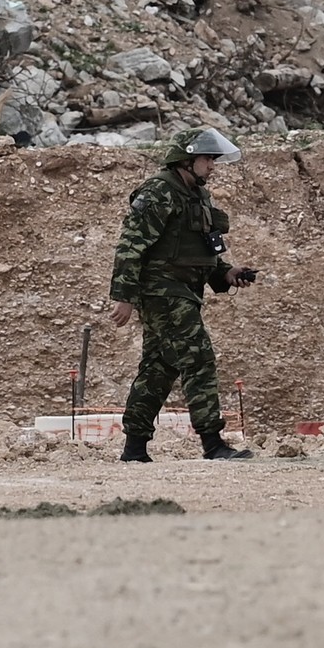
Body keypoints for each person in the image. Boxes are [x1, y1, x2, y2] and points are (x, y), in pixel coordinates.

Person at [109, 126, 258, 462]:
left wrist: (227, 273)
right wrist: (124, 296)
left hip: (184, 292)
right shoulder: (159, 191)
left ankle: (134, 449)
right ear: (186, 159)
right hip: (163, 291)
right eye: (207, 158)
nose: (213, 165)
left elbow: (201, 251)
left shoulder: (197, 196)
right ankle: (212, 443)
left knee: (159, 367)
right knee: (198, 356)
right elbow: (130, 247)